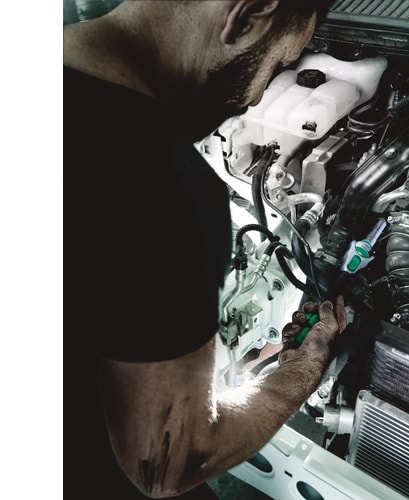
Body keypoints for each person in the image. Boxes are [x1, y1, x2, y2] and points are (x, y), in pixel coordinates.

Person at [63, 1, 346, 498]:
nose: (259, 93)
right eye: (279, 62)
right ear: (248, 14)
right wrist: (302, 370)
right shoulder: (158, 187)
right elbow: (167, 463)